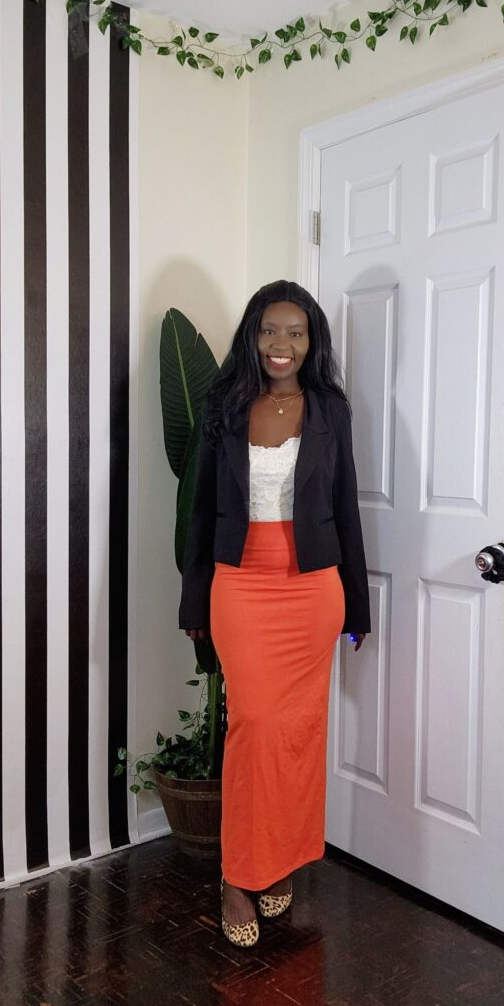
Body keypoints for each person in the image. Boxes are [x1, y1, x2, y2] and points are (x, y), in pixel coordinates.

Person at [178, 279, 371, 947]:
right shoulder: (226, 406)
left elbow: (346, 509)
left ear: (311, 341)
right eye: (268, 331)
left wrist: (359, 607)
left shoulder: (330, 411)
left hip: (313, 588)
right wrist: (194, 597)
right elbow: (202, 511)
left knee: (297, 730)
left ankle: (279, 861)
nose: (280, 344)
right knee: (254, 725)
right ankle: (238, 875)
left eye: (295, 332)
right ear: (252, 337)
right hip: (241, 584)